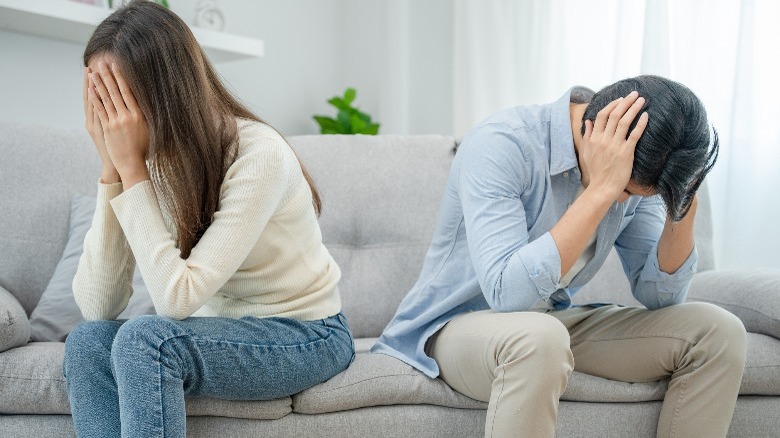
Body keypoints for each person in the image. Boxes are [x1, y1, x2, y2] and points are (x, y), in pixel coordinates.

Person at [372, 76, 746, 437]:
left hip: (549, 325)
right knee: (540, 338)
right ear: (593, 134)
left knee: (718, 331)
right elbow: (507, 294)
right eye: (626, 192)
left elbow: (659, 296)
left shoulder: (636, 180)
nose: (624, 202)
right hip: (453, 326)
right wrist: (601, 189)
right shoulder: (503, 144)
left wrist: (682, 205)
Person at [62, 2, 354, 436]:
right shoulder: (147, 161)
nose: (111, 116)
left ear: (165, 89)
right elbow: (98, 306)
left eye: (117, 96)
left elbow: (177, 300)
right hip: (225, 331)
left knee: (147, 341)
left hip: (307, 334)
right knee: (87, 343)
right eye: (99, 97)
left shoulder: (259, 155)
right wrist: (112, 169)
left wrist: (132, 171)